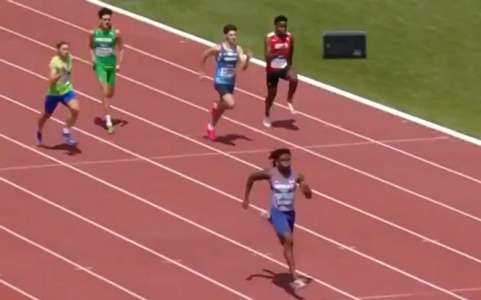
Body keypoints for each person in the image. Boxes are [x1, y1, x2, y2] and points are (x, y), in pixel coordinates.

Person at [243, 148, 312, 289]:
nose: (286, 162)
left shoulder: (297, 176)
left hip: (290, 214)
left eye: (288, 159)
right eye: (283, 160)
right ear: (276, 161)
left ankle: (271, 221)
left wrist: (307, 191)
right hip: (277, 212)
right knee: (289, 241)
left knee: (284, 243)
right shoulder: (270, 174)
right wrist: (246, 198)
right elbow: (251, 177)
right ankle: (294, 277)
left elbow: (309, 196)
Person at [200, 24, 251, 141]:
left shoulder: (238, 49)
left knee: (222, 110)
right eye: (231, 35)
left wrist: (247, 59)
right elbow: (205, 54)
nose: (234, 37)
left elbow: (244, 67)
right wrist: (201, 71)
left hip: (230, 82)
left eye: (235, 35)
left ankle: (211, 127)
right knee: (231, 104)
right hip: (220, 81)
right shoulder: (219, 48)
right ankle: (216, 105)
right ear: (226, 36)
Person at [36, 41, 79, 147]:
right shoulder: (55, 62)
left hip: (67, 90)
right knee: (47, 115)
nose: (66, 51)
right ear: (58, 50)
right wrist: (60, 74)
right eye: (64, 49)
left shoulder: (69, 57)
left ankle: (66, 130)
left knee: (75, 109)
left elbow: (74, 59)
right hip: (54, 93)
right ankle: (39, 130)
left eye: (67, 49)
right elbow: (50, 81)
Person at [89, 7, 124, 134]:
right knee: (104, 92)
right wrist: (93, 59)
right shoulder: (94, 33)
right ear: (100, 19)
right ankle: (108, 121)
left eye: (109, 19)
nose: (107, 21)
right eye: (105, 19)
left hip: (111, 65)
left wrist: (119, 64)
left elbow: (121, 49)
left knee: (110, 93)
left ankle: (107, 111)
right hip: (100, 65)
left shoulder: (116, 33)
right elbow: (91, 47)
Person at [263, 15, 298, 128]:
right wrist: (277, 53)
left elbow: (291, 50)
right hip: (272, 70)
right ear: (276, 26)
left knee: (294, 78)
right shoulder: (269, 38)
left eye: (285, 26)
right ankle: (267, 114)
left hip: (284, 67)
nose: (283, 29)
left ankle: (289, 100)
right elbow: (267, 57)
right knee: (271, 95)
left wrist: (290, 64)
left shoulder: (289, 37)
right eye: (281, 26)